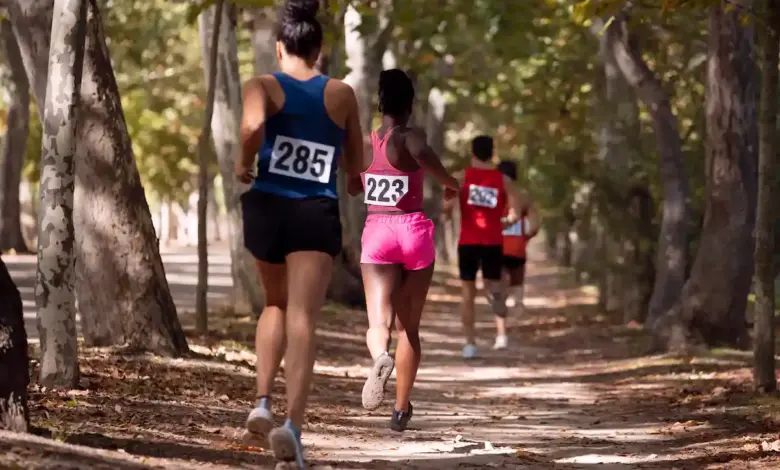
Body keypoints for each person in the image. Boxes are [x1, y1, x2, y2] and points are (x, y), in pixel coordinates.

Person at [233, 0, 363, 466]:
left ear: (280, 45)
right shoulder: (342, 94)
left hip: (268, 206)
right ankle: (293, 425)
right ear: (320, 48)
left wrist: (244, 161)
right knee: (303, 317)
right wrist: (349, 179)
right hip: (314, 211)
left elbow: (251, 126)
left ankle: (262, 401)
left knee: (274, 304)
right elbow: (356, 164)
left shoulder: (262, 85)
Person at [349, 69, 459, 432]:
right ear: (410, 104)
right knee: (408, 328)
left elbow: (352, 185)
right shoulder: (410, 136)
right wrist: (449, 182)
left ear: (380, 103)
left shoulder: (367, 143)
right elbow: (423, 153)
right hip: (412, 231)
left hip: (377, 233)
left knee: (378, 322)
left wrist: (361, 179)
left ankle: (381, 356)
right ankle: (399, 409)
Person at [443, 136, 522, 358]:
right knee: (494, 289)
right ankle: (500, 318)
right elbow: (514, 214)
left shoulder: (460, 177)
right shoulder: (503, 180)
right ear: (492, 153)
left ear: (473, 153)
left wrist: (449, 213)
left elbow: (446, 207)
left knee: (467, 292)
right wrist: (502, 222)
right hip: (493, 242)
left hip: (468, 242)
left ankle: (469, 344)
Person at [496, 160, 539, 315]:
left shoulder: (490, 195)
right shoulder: (524, 197)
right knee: (517, 284)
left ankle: (501, 314)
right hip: (517, 248)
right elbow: (534, 226)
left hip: (495, 247)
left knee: (497, 282)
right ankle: (516, 310)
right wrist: (525, 238)